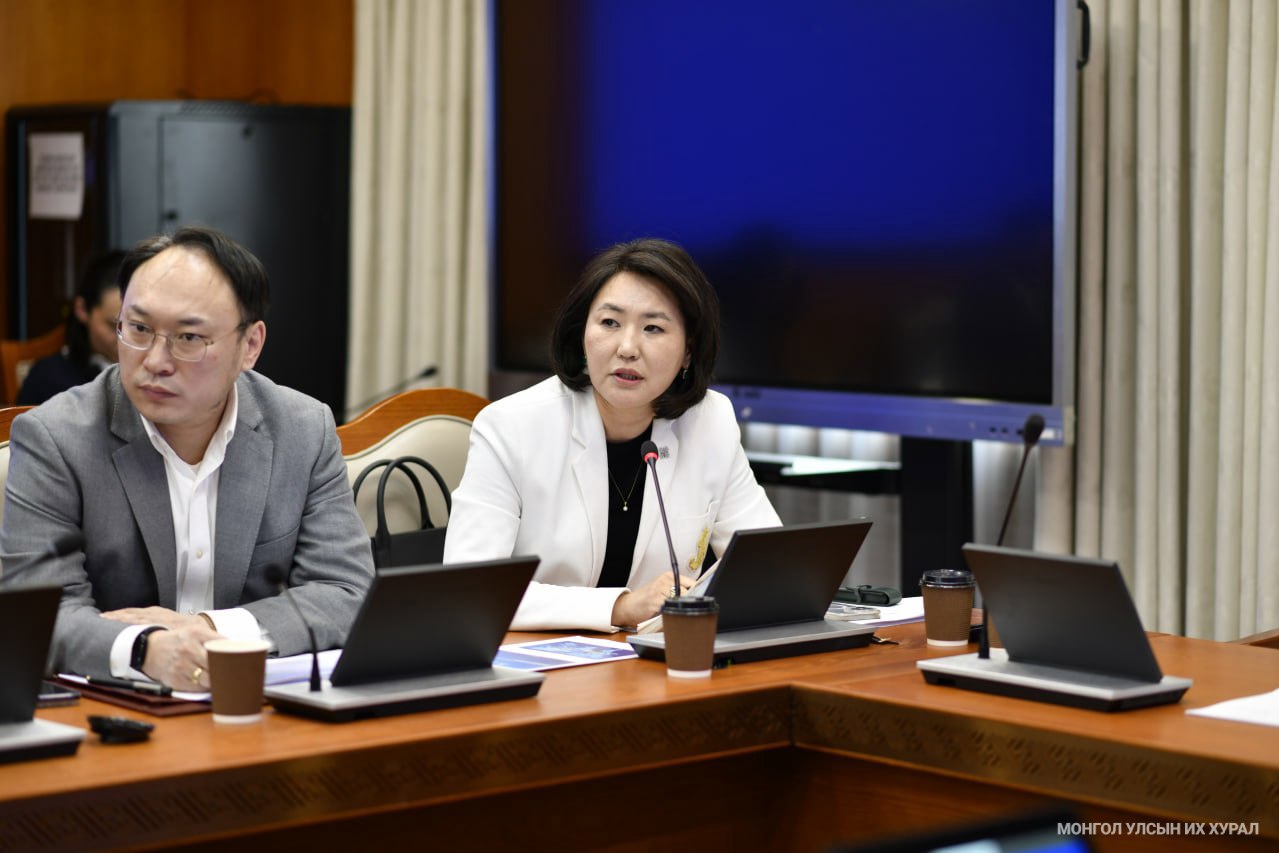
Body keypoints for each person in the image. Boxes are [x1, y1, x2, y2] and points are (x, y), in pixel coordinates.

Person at [0, 226, 374, 689]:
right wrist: (146, 648)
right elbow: (37, 615)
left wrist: (209, 630)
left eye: (189, 337)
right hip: (115, 708)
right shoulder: (56, 437)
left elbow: (346, 592)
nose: (156, 361)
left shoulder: (302, 430)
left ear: (250, 346)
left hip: (255, 701)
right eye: (138, 328)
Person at [444, 237, 780, 631]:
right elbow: (469, 589)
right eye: (609, 323)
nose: (627, 348)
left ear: (688, 351)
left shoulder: (711, 419)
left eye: (653, 328)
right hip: (538, 657)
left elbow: (768, 563)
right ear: (582, 334)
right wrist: (621, 606)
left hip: (656, 656)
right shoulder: (510, 426)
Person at [17, 250, 126, 405]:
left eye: (138, 327)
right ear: (82, 309)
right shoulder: (50, 379)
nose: (125, 337)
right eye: (113, 325)